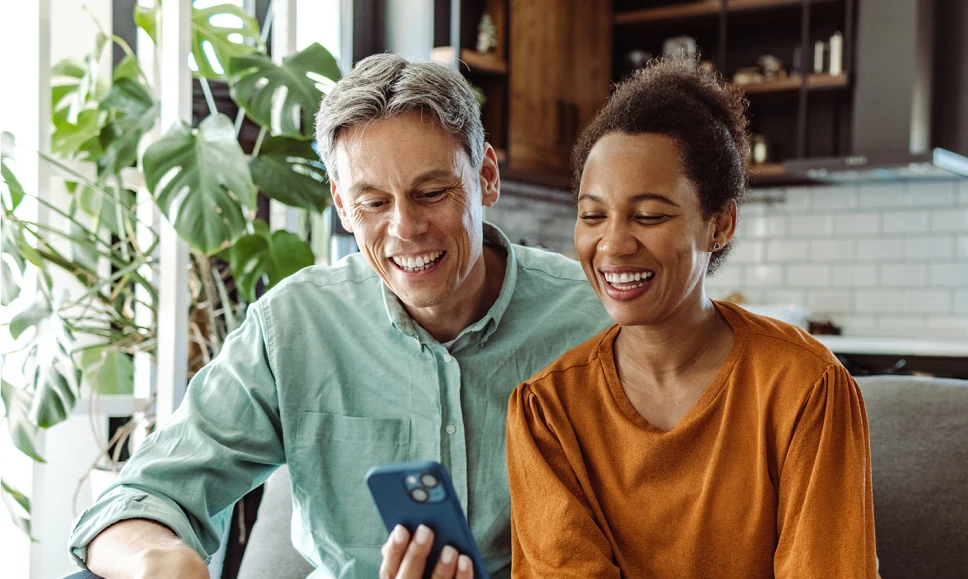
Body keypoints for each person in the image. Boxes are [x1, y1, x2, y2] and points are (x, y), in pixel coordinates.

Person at [67, 54, 611, 579]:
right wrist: (158, 560)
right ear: (342, 205)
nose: (405, 227)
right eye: (373, 203)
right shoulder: (294, 326)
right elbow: (140, 497)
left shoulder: (592, 318)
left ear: (485, 176)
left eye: (431, 192)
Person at [505, 57, 878, 578]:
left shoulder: (806, 388)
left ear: (720, 224)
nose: (612, 243)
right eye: (592, 215)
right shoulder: (547, 411)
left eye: (650, 215)